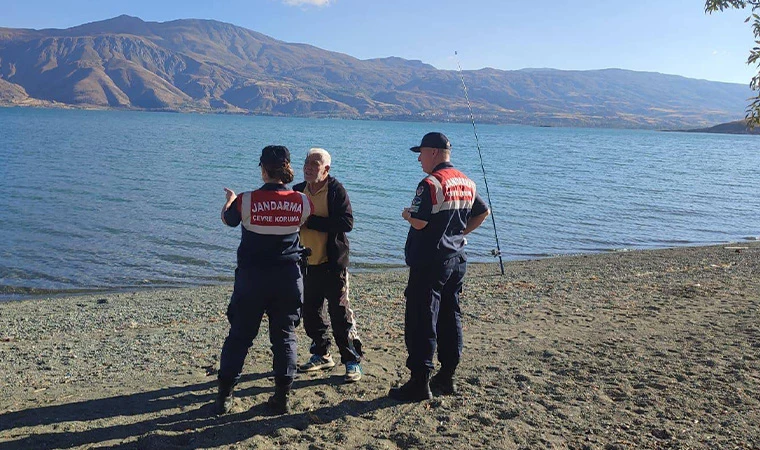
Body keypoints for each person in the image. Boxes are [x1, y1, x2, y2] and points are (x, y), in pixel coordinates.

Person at [389, 132, 491, 402]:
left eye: (420, 153)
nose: (419, 159)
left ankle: (419, 381)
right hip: (457, 259)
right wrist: (457, 234)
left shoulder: (431, 183)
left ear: (434, 152)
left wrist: (406, 215)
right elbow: (483, 212)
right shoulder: (465, 181)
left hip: (430, 261)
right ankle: (447, 376)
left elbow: (421, 222)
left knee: (422, 318)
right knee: (449, 315)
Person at [215, 145, 313, 415]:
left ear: (263, 169)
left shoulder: (246, 200)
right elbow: (302, 221)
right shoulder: (303, 201)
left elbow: (228, 219)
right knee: (284, 337)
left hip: (252, 280)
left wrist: (230, 200)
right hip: (288, 278)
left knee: (240, 337)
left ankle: (225, 396)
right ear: (287, 168)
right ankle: (282, 397)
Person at [293, 148, 364, 382]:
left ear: (326, 169)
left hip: (333, 264)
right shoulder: (297, 191)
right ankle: (322, 354)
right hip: (307, 263)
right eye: (306, 162)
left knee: (340, 315)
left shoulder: (335, 190)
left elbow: (347, 222)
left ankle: (352, 361)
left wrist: (310, 222)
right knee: (311, 314)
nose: (309, 167)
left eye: (315, 163)